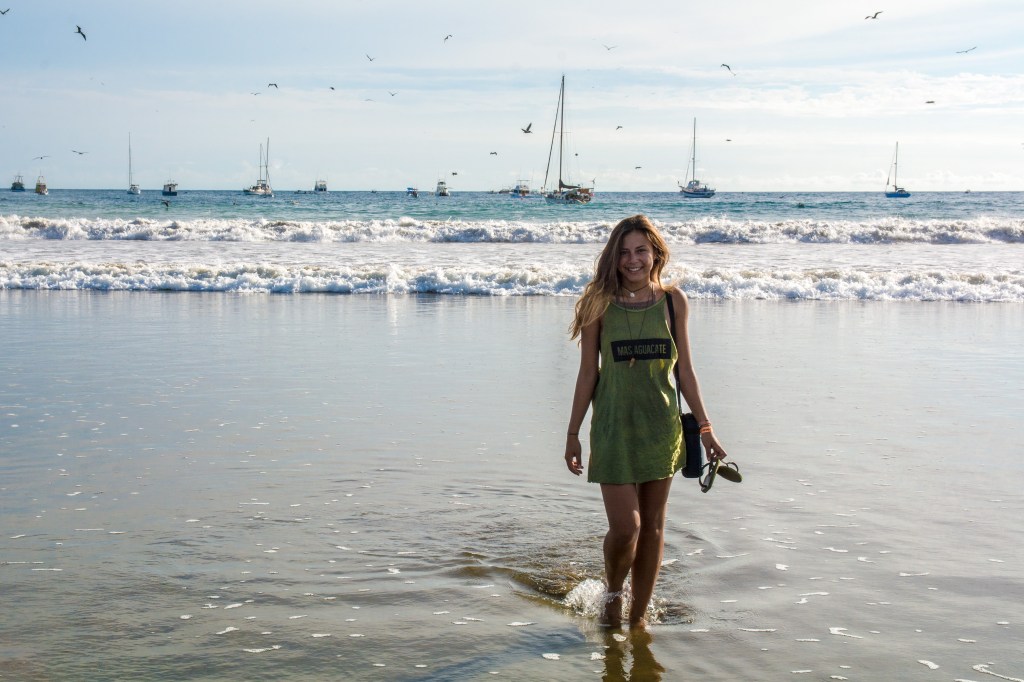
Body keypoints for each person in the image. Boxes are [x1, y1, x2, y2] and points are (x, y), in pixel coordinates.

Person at [564, 214, 728, 628]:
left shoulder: (674, 302)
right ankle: (613, 595)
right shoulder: (598, 303)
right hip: (613, 428)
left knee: (653, 527)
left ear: (655, 252)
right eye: (623, 252)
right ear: (613, 257)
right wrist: (572, 433)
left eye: (640, 250)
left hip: (662, 427)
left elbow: (685, 372)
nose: (632, 260)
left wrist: (706, 429)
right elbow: (588, 373)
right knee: (626, 528)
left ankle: (637, 618)